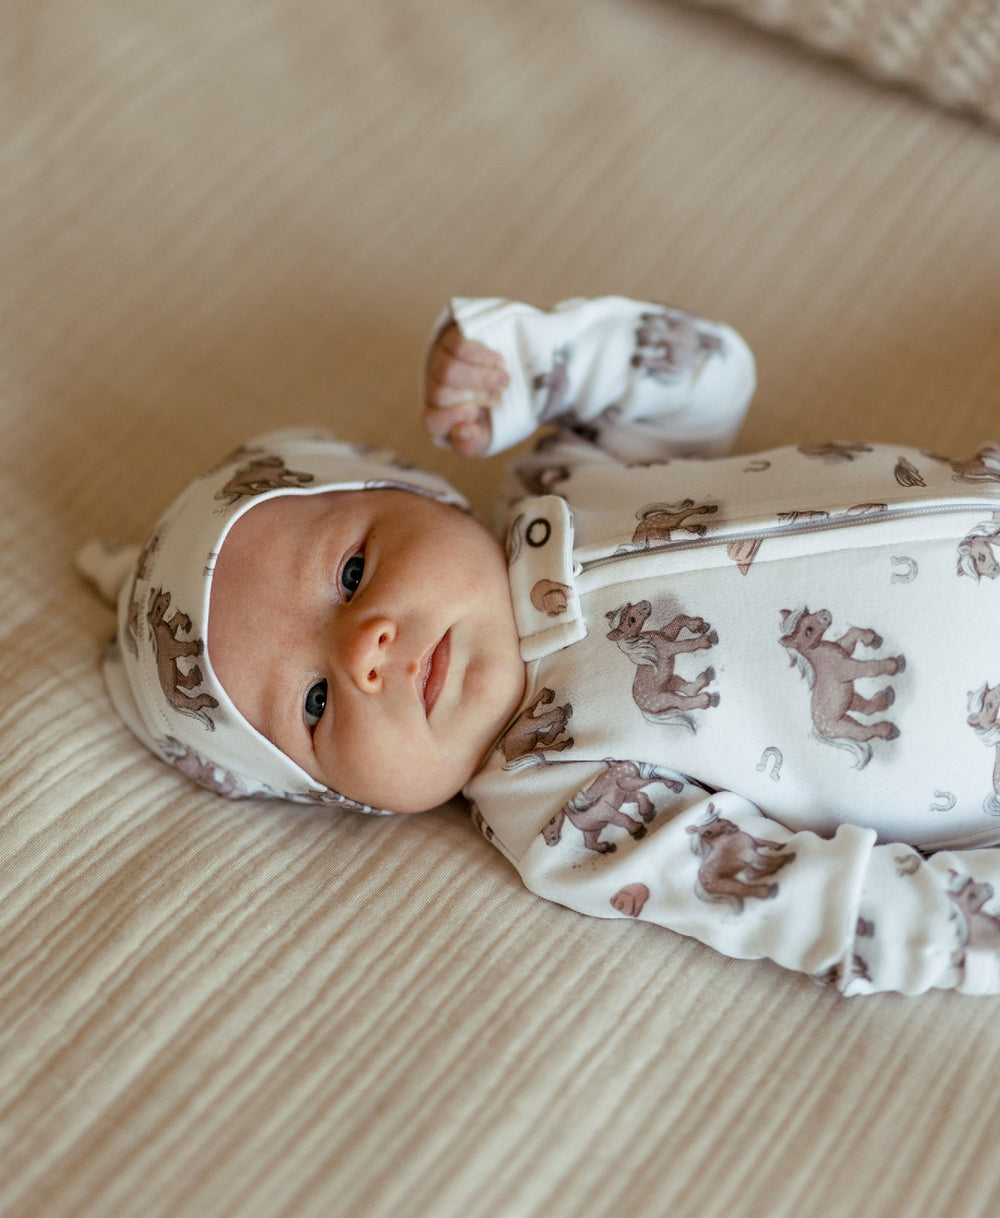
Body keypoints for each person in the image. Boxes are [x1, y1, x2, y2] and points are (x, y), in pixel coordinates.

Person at [77, 294, 1000, 996]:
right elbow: (793, 898)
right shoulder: (562, 808)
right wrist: (965, 926)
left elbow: (709, 375)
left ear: (418, 491)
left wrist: (540, 364)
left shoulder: (563, 478)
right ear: (349, 800)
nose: (365, 652)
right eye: (315, 703)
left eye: (351, 573)